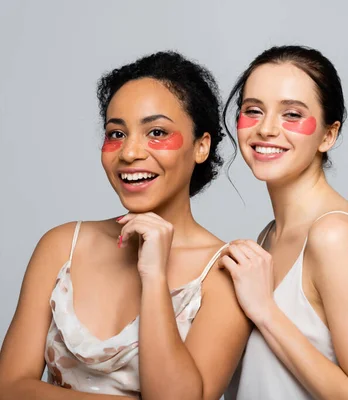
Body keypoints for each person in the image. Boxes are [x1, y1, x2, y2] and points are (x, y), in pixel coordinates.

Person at [0, 51, 251, 399]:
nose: (129, 152)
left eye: (157, 132)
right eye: (116, 133)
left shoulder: (225, 274)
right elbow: (9, 388)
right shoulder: (62, 246)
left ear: (201, 146)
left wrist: (154, 276)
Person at [222, 45, 348, 400]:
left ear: (328, 136)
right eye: (253, 111)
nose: (266, 129)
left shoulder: (334, 235)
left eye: (292, 115)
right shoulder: (268, 236)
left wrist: (266, 313)